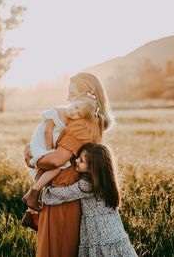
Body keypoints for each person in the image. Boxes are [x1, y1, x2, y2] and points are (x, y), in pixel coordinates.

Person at [24, 72, 112, 257]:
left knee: (55, 250)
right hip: (63, 192)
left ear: (87, 96)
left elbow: (57, 160)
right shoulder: (88, 121)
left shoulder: (81, 126)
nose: (67, 99)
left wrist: (33, 158)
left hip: (63, 194)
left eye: (72, 95)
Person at [42, 143, 138, 257]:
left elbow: (64, 194)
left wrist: (45, 188)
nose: (76, 160)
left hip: (99, 234)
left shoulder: (87, 186)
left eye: (81, 160)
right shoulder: (106, 183)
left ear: (93, 167)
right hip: (114, 232)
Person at [22, 96, 97, 217]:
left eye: (78, 114)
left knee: (48, 168)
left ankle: (31, 203)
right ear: (73, 101)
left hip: (46, 146)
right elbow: (47, 132)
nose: (74, 112)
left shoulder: (70, 120)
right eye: (76, 107)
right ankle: (33, 194)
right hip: (41, 144)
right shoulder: (57, 111)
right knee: (58, 165)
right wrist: (50, 152)